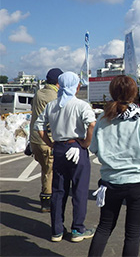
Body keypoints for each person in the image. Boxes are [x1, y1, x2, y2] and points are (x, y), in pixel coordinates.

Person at [88, 75, 140, 257]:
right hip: (138, 181)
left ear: (111, 92)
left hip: (110, 181)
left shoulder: (102, 118)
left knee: (103, 228)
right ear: (134, 94)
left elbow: (94, 149)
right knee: (132, 234)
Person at [34, 72, 96, 242]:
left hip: (59, 148)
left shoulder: (52, 105)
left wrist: (51, 143)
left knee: (59, 190)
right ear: (76, 86)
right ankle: (77, 229)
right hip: (76, 146)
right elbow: (91, 124)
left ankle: (57, 230)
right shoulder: (81, 105)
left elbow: (38, 127)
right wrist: (86, 144)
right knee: (79, 190)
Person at [29, 68, 63, 213]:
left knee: (45, 169)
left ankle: (46, 196)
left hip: (35, 139)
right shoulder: (54, 96)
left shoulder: (39, 93)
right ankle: (47, 201)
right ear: (58, 81)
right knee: (50, 171)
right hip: (46, 140)